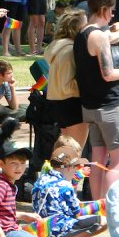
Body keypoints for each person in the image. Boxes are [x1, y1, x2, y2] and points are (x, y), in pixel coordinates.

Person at [74, 0, 119, 199]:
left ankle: (97, 204)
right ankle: (110, 205)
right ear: (104, 10)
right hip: (110, 107)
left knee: (98, 159)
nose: (112, 15)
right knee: (118, 161)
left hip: (90, 107)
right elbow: (109, 74)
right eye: (112, 11)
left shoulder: (83, 33)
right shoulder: (99, 37)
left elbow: (106, 38)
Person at [30, 136, 107, 237]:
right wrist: (99, 206)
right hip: (57, 227)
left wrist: (78, 177)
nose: (78, 168)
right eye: (76, 166)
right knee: (103, 220)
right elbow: (76, 213)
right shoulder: (65, 185)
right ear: (69, 167)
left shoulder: (42, 179)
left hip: (42, 225)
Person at [45, 9, 88, 148]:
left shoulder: (57, 48)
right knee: (75, 151)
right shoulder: (70, 50)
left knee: (66, 148)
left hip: (58, 103)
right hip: (72, 101)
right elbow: (67, 84)